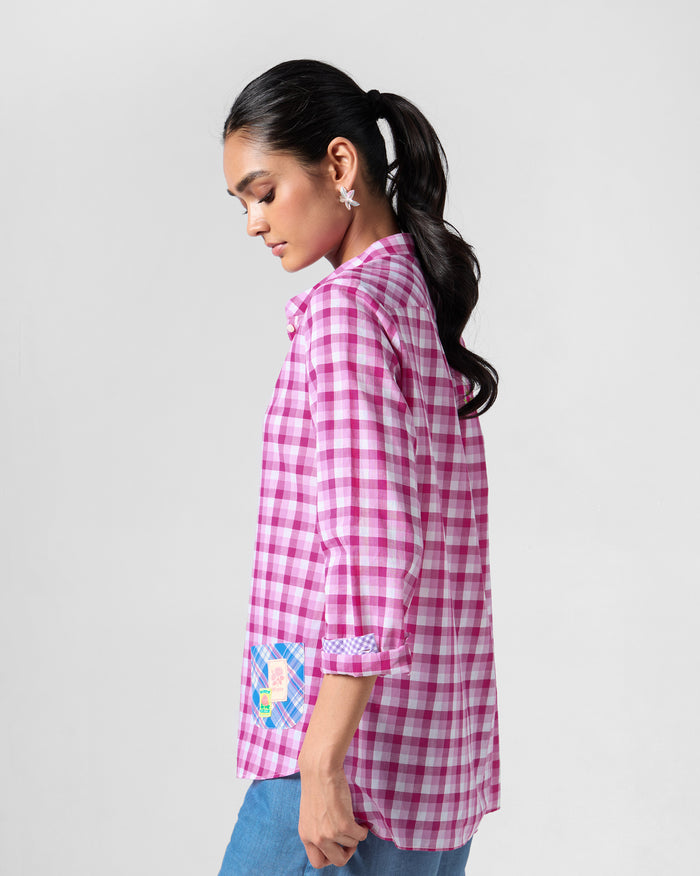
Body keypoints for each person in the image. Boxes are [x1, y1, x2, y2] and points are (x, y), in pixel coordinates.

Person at [216, 59, 500, 876]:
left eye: (264, 192)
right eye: (241, 203)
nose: (253, 223)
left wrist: (316, 761)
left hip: (342, 753)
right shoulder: (415, 298)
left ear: (339, 165)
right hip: (424, 753)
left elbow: (372, 550)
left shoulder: (346, 312)